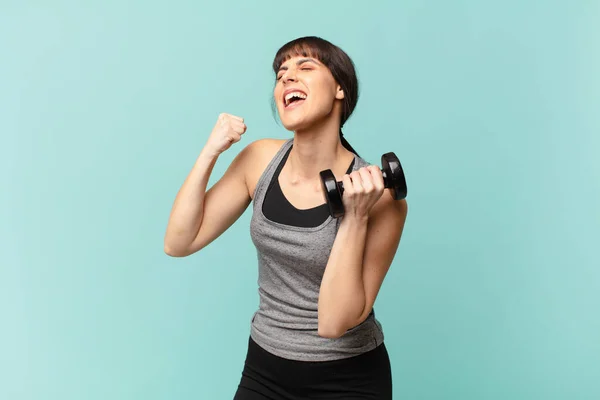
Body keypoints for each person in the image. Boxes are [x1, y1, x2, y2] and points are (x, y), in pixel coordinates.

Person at [164, 36, 408, 400]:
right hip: (265, 368)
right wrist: (211, 151)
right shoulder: (259, 160)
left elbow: (332, 323)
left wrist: (355, 217)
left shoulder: (380, 199)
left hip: (348, 379)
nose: (287, 78)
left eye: (305, 68)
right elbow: (179, 242)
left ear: (341, 89)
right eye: (281, 74)